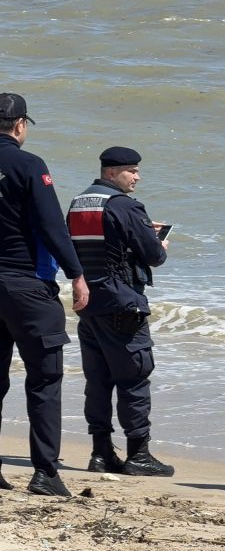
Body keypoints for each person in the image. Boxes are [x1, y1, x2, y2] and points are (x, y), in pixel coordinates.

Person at [0, 92, 89, 496]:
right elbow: (52, 225)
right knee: (44, 377)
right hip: (25, 286)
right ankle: (46, 473)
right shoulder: (29, 164)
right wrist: (77, 274)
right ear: (20, 125)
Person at [66, 146, 174, 477]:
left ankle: (100, 453)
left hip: (90, 305)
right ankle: (138, 455)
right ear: (111, 173)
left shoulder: (78, 203)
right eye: (131, 170)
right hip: (123, 304)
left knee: (97, 381)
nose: (137, 176)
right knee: (134, 378)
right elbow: (154, 256)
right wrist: (159, 243)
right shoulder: (125, 205)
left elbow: (84, 246)